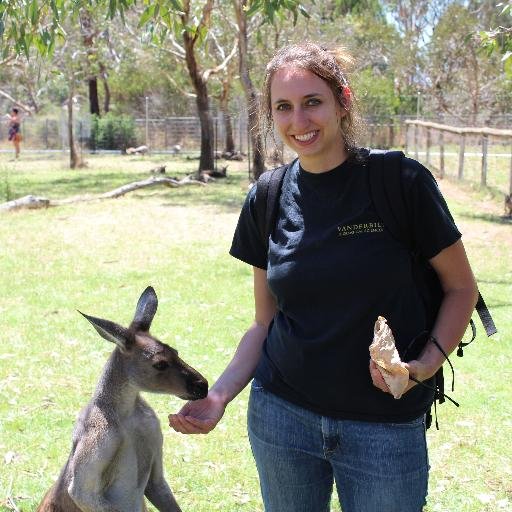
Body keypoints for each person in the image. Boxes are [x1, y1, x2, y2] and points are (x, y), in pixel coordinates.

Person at [168, 41, 478, 512]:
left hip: (383, 429)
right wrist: (218, 397)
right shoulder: (267, 196)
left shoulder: (400, 182)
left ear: (343, 101)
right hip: (282, 419)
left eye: (313, 102)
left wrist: (422, 368)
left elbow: (461, 289)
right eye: (284, 107)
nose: (300, 121)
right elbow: (263, 324)